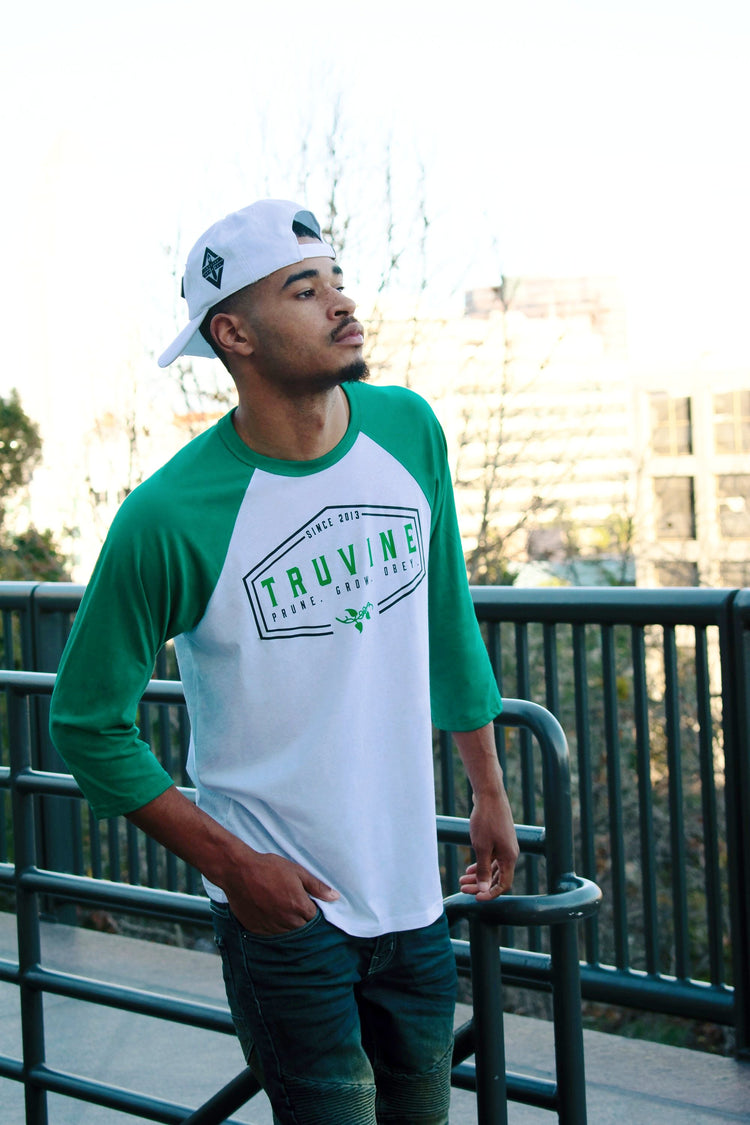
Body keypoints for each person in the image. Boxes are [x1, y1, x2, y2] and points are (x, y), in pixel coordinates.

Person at [50, 198, 519, 1125]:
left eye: (336, 280)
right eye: (304, 291)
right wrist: (236, 867)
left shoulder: (408, 430)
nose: (342, 303)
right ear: (234, 334)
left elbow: (447, 618)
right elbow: (86, 723)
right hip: (285, 918)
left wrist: (489, 789)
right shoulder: (168, 516)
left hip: (412, 898)